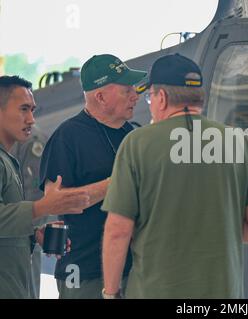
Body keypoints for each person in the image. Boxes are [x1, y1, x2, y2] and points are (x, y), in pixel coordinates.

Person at [101, 54, 248, 299]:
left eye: (150, 97)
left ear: (162, 98)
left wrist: (110, 293)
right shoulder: (237, 142)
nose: (150, 104)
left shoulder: (137, 144)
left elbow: (117, 230)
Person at [39, 54, 147, 299]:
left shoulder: (134, 136)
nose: (135, 96)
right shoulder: (68, 137)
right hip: (86, 271)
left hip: (134, 269)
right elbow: (54, 201)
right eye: (126, 90)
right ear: (100, 96)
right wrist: (117, 183)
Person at [0, 75, 90, 299]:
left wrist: (32, 234)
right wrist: (41, 207)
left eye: (32, 110)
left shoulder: (8, 160)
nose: (31, 119)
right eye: (23, 109)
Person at [10, 126, 54, 299]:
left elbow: (36, 195)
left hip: (22, 240)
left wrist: (30, 234)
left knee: (25, 291)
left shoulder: (30, 141)